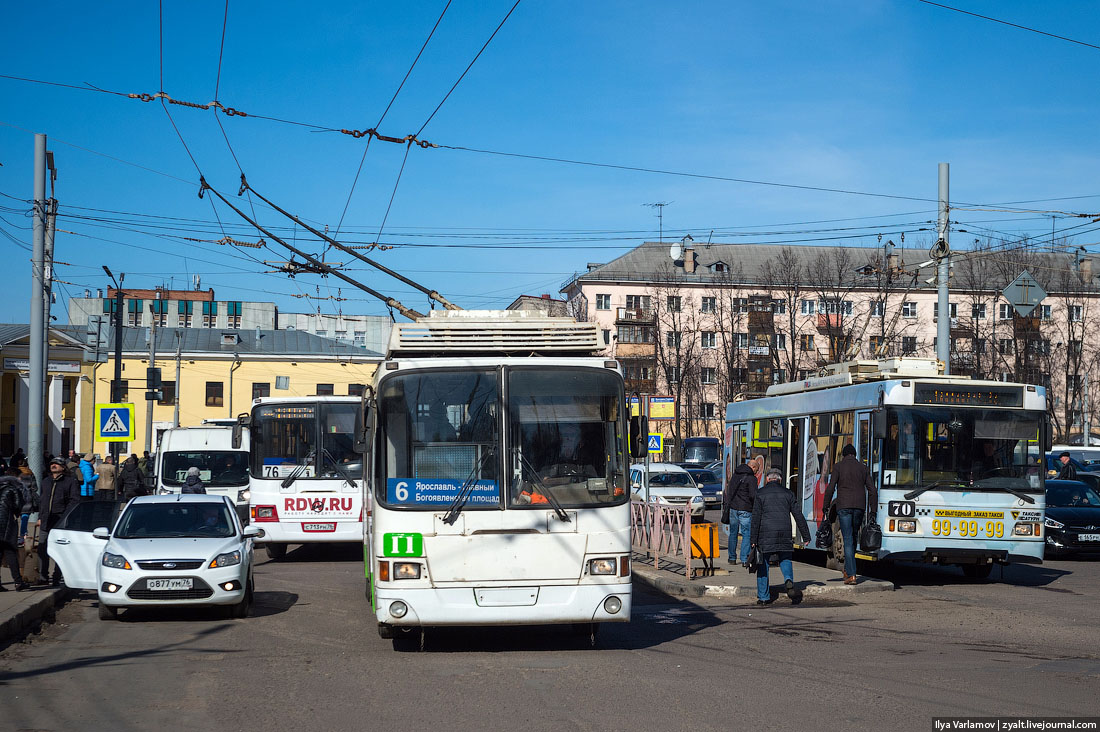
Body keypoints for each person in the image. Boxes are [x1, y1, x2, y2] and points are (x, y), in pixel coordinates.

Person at [750, 467, 810, 606]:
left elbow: (756, 518)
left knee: (763, 563)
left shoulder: (760, 493)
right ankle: (788, 579)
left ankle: (763, 597)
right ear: (780, 479)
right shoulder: (788, 493)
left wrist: (753, 539)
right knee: (785, 558)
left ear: (767, 479)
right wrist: (806, 536)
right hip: (784, 532)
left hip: (765, 534)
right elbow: (798, 515)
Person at [823, 443, 877, 585]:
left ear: (844, 455)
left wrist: (826, 506)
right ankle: (848, 570)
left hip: (844, 507)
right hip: (859, 507)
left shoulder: (839, 467)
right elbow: (872, 490)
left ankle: (852, 574)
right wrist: (873, 511)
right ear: (855, 455)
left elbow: (830, 488)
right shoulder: (863, 468)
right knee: (852, 538)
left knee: (847, 539)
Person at [38, 458, 80, 586]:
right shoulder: (46, 481)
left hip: (61, 521)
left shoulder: (70, 481)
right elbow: (42, 501)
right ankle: (43, 576)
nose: (53, 466)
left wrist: (65, 517)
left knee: (59, 551)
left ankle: (57, 576)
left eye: (56, 464)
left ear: (63, 467)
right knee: (42, 549)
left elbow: (74, 501)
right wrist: (40, 517)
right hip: (46, 520)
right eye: (52, 464)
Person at [722, 459, 757, 566]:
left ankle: (731, 558)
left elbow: (730, 491)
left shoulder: (735, 475)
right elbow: (753, 495)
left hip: (733, 508)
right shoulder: (751, 479)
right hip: (745, 509)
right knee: (746, 534)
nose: (756, 472)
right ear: (753, 467)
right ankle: (744, 558)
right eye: (757, 469)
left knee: (733, 533)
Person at [0, 470, 29, 591]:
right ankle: (18, 581)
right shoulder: (13, 489)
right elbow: (18, 506)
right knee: (10, 552)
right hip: (7, 523)